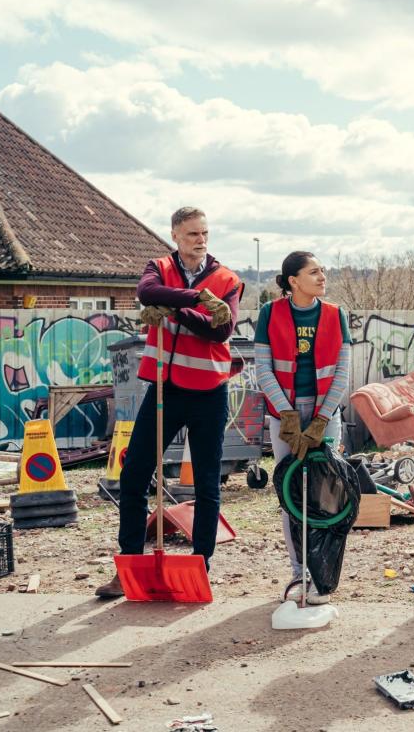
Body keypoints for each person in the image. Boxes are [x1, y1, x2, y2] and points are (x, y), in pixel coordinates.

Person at [96, 207, 242, 598]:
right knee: (135, 474)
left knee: (208, 481)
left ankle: (200, 565)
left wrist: (175, 308)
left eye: (205, 233)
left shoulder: (228, 279)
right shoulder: (158, 266)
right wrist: (195, 300)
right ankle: (129, 562)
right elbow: (146, 293)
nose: (200, 239)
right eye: (192, 233)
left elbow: (220, 329)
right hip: (165, 388)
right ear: (175, 234)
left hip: (210, 391)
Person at [254, 251, 352, 605]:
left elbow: (342, 371)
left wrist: (322, 419)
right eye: (314, 272)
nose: (322, 276)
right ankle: (299, 572)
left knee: (326, 495)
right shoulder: (270, 313)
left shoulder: (335, 314)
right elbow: (263, 368)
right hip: (286, 415)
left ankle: (323, 573)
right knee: (291, 496)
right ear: (293, 281)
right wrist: (288, 416)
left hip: (326, 414)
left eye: (323, 271)